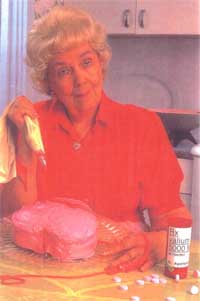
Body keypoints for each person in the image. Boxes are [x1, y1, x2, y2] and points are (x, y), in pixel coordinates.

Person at [1, 6, 192, 272]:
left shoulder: (142, 126)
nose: (80, 79)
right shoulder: (30, 125)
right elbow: (11, 216)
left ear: (101, 63)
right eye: (64, 71)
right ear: (48, 82)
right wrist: (23, 144)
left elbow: (173, 218)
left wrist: (156, 244)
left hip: (120, 273)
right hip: (41, 274)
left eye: (86, 62)